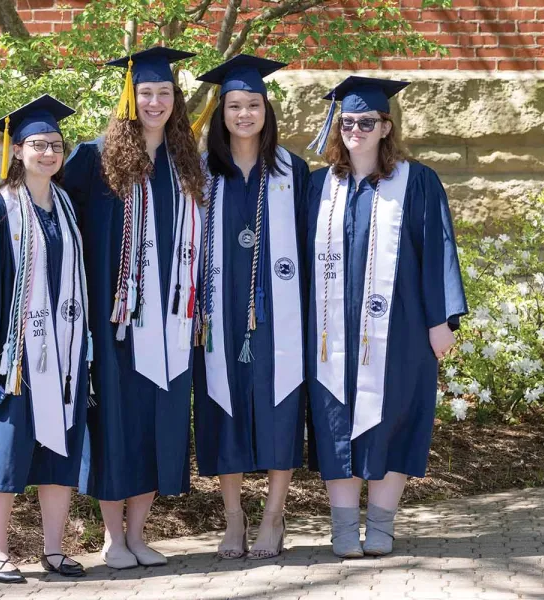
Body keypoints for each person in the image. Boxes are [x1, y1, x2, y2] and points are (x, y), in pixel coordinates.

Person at [304, 76, 468, 558]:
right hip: (329, 334)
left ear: (385, 126)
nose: (356, 128)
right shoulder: (318, 186)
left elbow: (437, 250)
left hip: (400, 329)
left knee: (394, 416)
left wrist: (441, 321)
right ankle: (342, 527)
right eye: (348, 121)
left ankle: (380, 525)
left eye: (367, 121)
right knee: (336, 416)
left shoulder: (417, 181)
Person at [62, 47, 205, 569]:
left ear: (176, 100)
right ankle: (110, 538)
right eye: (145, 92)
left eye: (165, 92)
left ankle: (139, 534)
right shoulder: (91, 158)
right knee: (117, 425)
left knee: (158, 424)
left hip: (171, 320)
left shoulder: (185, 162)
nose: (155, 101)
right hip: (114, 323)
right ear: (128, 97)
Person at [0, 95, 92, 582]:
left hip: (63, 350)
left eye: (56, 144)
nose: (48, 152)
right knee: (5, 449)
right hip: (14, 356)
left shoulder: (66, 207)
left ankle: (53, 550)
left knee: (60, 448)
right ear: (17, 150)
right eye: (38, 144)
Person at [192, 54, 310, 560]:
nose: (244, 114)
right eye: (234, 105)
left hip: (278, 320)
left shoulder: (292, 171)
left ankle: (274, 517)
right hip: (219, 319)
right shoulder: (201, 174)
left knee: (281, 410)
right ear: (221, 113)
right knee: (225, 409)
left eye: (253, 104)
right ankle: (234, 518)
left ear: (267, 110)